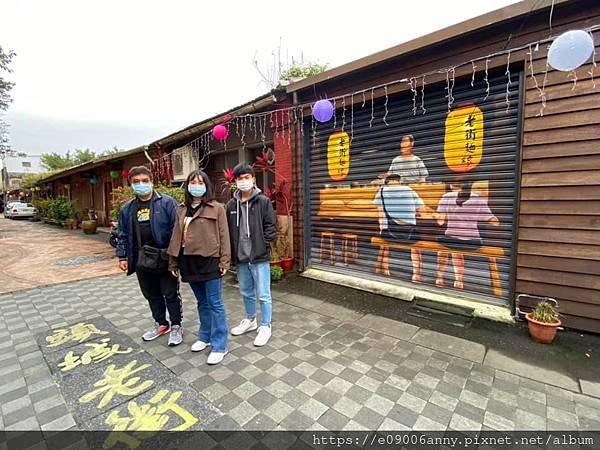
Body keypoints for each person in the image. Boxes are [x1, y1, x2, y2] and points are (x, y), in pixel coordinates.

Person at [167, 170, 231, 365]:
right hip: (188, 261)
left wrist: (225, 261)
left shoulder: (217, 207)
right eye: (192, 182)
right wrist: (173, 261)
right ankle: (205, 336)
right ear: (187, 186)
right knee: (202, 302)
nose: (196, 185)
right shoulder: (181, 209)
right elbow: (176, 237)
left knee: (215, 303)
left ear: (206, 185)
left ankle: (220, 344)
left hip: (210, 260)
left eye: (200, 182)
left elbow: (224, 235)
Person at [116, 166, 183, 346]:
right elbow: (121, 234)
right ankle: (161, 323)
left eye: (145, 181)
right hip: (140, 259)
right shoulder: (127, 209)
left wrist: (175, 258)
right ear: (131, 184)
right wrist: (122, 256)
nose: (141, 185)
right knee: (151, 294)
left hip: (164, 257)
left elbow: (178, 231)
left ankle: (176, 325)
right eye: (136, 182)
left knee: (170, 293)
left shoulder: (167, 203)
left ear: (152, 182)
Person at [226, 164, 276, 347]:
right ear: (236, 181)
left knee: (263, 294)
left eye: (247, 177)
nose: (244, 181)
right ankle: (250, 320)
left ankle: (266, 325)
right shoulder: (231, 205)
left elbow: (271, 226)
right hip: (241, 257)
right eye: (240, 178)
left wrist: (263, 245)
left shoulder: (263, 201)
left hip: (258, 256)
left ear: (253, 179)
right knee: (246, 291)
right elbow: (228, 230)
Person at [435, 179, 499, 289]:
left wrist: (435, 215)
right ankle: (459, 281)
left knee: (445, 247)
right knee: (457, 247)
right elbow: (495, 222)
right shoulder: (478, 198)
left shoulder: (447, 196)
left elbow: (440, 222)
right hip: (473, 242)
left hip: (451, 239)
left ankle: (439, 278)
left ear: (451, 185)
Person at [373, 174, 426, 282]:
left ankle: (385, 270)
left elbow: (380, 214)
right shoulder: (409, 190)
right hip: (409, 234)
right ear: (399, 181)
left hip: (390, 234)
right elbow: (422, 211)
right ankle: (416, 276)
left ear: (386, 182)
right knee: (416, 248)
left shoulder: (381, 192)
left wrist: (381, 230)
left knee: (384, 244)